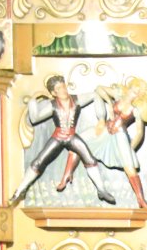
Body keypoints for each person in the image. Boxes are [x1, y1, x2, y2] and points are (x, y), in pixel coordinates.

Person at [9, 75, 115, 206]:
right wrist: (33, 99)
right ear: (54, 93)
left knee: (90, 159)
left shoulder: (76, 100)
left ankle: (101, 190)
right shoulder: (53, 105)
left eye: (63, 86)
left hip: (71, 136)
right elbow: (35, 118)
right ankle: (19, 190)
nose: (63, 90)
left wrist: (101, 119)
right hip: (58, 137)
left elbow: (95, 95)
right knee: (38, 162)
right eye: (59, 88)